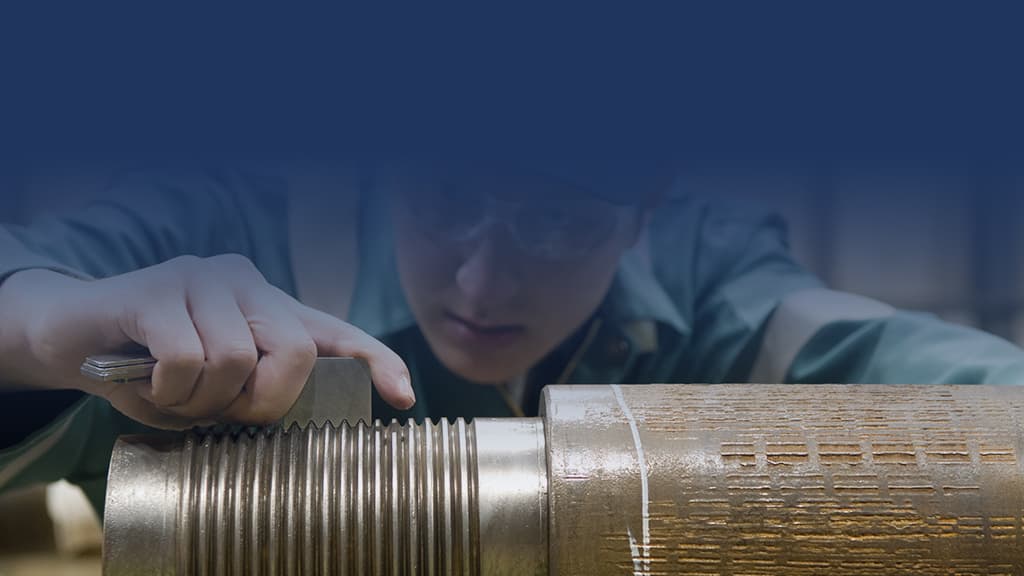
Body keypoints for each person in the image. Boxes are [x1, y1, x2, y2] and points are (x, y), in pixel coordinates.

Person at [2, 161, 1024, 515]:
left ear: (644, 209)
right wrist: (44, 324)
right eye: (445, 197)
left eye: (560, 223)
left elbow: (917, 370)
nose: (483, 283)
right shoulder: (215, 222)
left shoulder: (712, 278)